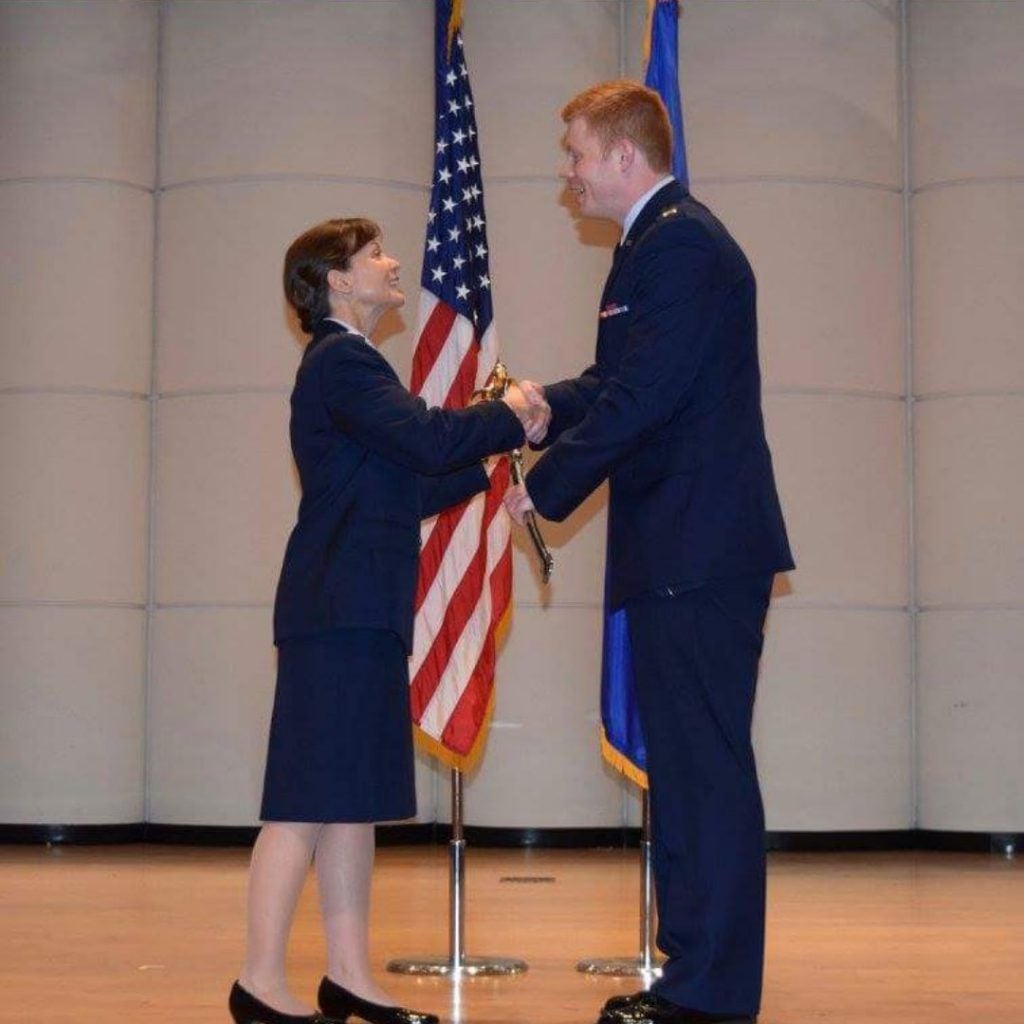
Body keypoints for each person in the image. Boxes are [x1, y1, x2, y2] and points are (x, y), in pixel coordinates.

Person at [505, 81, 794, 1024]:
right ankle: (692, 979)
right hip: (681, 547)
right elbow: (618, 382)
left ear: (625, 156)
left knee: (703, 773)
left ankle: (710, 997)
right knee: (687, 772)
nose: (568, 173)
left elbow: (647, 399)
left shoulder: (681, 247)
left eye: (577, 154)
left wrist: (542, 491)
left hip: (701, 551)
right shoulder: (653, 245)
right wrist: (548, 403)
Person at [229, 217, 546, 1024]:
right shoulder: (341, 361)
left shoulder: (352, 365)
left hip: (358, 607)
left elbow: (401, 485)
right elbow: (422, 436)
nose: (391, 262)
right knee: (304, 799)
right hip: (338, 607)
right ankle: (260, 983)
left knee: (350, 798)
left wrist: (484, 472)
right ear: (336, 280)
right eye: (373, 255)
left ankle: (348, 978)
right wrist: (506, 413)